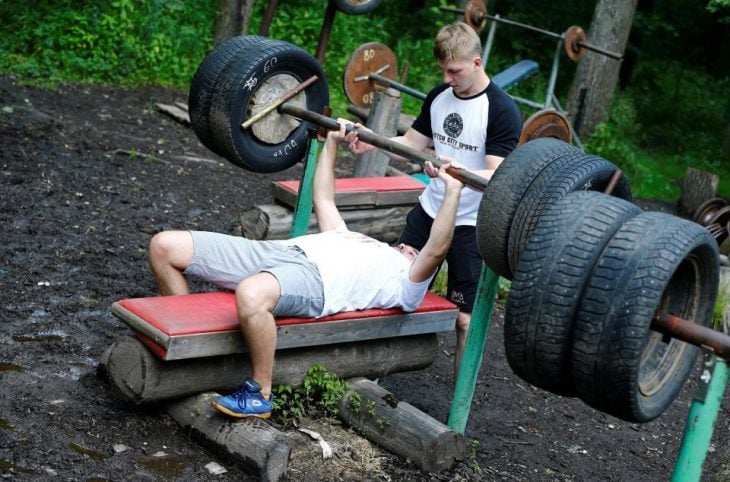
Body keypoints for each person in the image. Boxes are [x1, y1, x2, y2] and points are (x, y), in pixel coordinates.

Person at [147, 120, 465, 419]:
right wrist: (331, 142)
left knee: (251, 294)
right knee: (164, 246)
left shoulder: (406, 282)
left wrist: (452, 191)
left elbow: (436, 248)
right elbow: (324, 199)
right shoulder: (359, 240)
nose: (406, 247)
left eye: (413, 251)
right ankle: (187, 354)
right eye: (405, 245)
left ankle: (260, 393)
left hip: (316, 281)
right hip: (281, 251)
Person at [346, 21, 522, 377]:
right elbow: (412, 145)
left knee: (464, 320)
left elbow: (496, 175)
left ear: (476, 63)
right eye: (443, 70)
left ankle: (459, 403)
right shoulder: (439, 97)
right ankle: (370, 375)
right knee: (394, 287)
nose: (446, 78)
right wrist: (372, 140)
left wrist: (454, 171)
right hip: (430, 211)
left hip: (471, 224)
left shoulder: (502, 110)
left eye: (453, 71)